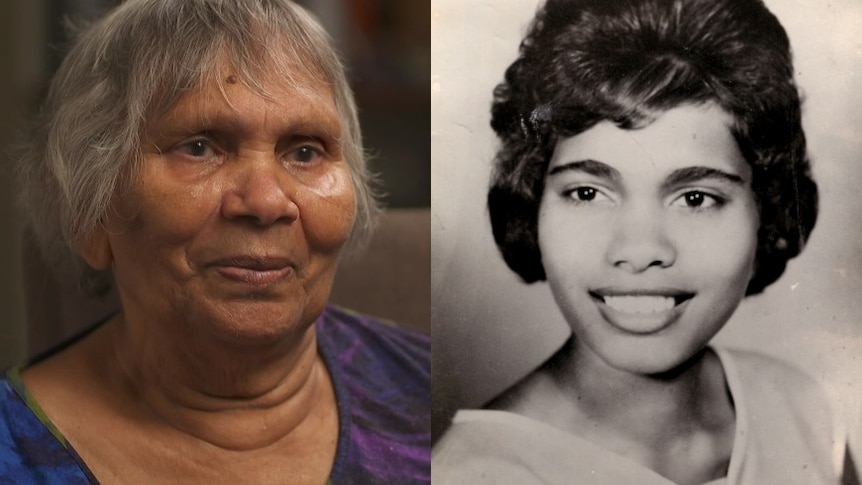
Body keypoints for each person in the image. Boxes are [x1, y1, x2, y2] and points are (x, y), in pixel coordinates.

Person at [0, 0, 430, 483]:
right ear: (91, 212)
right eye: (200, 146)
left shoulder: (450, 401)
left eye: (305, 151)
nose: (266, 202)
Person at [432, 0, 851, 483]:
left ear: (768, 214)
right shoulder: (475, 474)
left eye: (695, 198)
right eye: (587, 193)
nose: (640, 249)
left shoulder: (806, 414)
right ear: (532, 207)